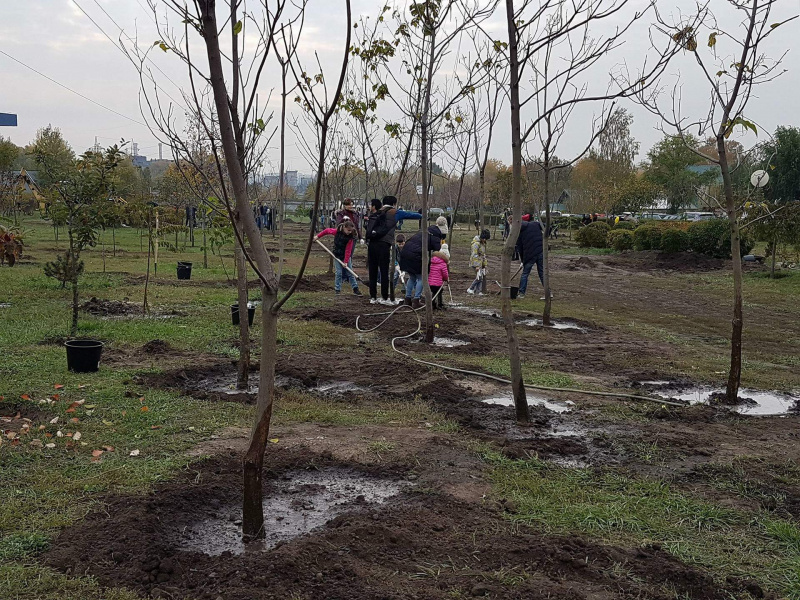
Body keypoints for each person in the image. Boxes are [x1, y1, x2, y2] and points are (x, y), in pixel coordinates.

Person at [314, 220, 362, 296]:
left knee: (350, 273)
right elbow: (327, 230)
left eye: (351, 231)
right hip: (337, 255)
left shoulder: (350, 238)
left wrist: (345, 262)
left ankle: (355, 289)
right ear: (344, 227)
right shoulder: (337, 232)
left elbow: (348, 250)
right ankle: (337, 289)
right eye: (348, 230)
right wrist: (317, 236)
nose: (349, 232)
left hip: (346, 256)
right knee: (339, 273)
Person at [400, 225, 443, 309]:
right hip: (415, 255)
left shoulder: (422, 233)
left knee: (412, 277)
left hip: (405, 253)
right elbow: (437, 250)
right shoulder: (435, 237)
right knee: (421, 278)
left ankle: (407, 299)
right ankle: (416, 300)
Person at [365, 197, 398, 305]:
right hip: (384, 245)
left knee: (372, 271)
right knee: (384, 271)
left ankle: (373, 296)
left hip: (372, 244)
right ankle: (384, 296)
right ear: (394, 203)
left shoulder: (375, 215)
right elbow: (411, 215)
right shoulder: (394, 213)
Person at [514, 218, 544, 299]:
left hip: (530, 255)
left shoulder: (519, 232)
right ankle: (548, 292)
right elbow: (546, 227)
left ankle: (521, 293)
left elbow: (520, 248)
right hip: (540, 251)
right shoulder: (535, 224)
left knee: (525, 274)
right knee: (542, 273)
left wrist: (523, 261)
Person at [467, 229, 490, 294]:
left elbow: (483, 255)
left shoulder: (482, 244)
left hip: (480, 263)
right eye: (484, 238)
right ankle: (471, 288)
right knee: (479, 277)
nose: (485, 240)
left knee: (480, 277)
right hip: (475, 263)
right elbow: (474, 255)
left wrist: (485, 264)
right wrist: (477, 265)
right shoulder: (476, 244)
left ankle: (478, 291)